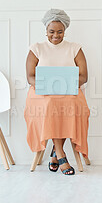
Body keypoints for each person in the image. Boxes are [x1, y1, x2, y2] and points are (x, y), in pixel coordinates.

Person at [24, 9, 90, 175]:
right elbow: (30, 77)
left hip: (69, 92)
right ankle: (60, 154)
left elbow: (84, 76)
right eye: (51, 31)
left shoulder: (75, 48)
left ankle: (55, 152)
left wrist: (66, 85)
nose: (56, 35)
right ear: (46, 31)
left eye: (60, 32)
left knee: (70, 105)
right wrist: (45, 86)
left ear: (65, 31)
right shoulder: (36, 48)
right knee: (51, 104)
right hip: (41, 94)